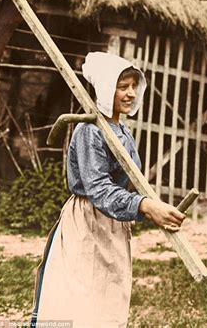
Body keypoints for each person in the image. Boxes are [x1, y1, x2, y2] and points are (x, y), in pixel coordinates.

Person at [31, 52, 185, 327]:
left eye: (133, 86)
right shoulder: (90, 130)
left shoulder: (123, 131)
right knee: (81, 299)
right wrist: (144, 206)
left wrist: (151, 209)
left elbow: (130, 183)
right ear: (104, 88)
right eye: (122, 86)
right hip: (87, 223)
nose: (130, 93)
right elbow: (99, 189)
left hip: (112, 226)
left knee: (108, 296)